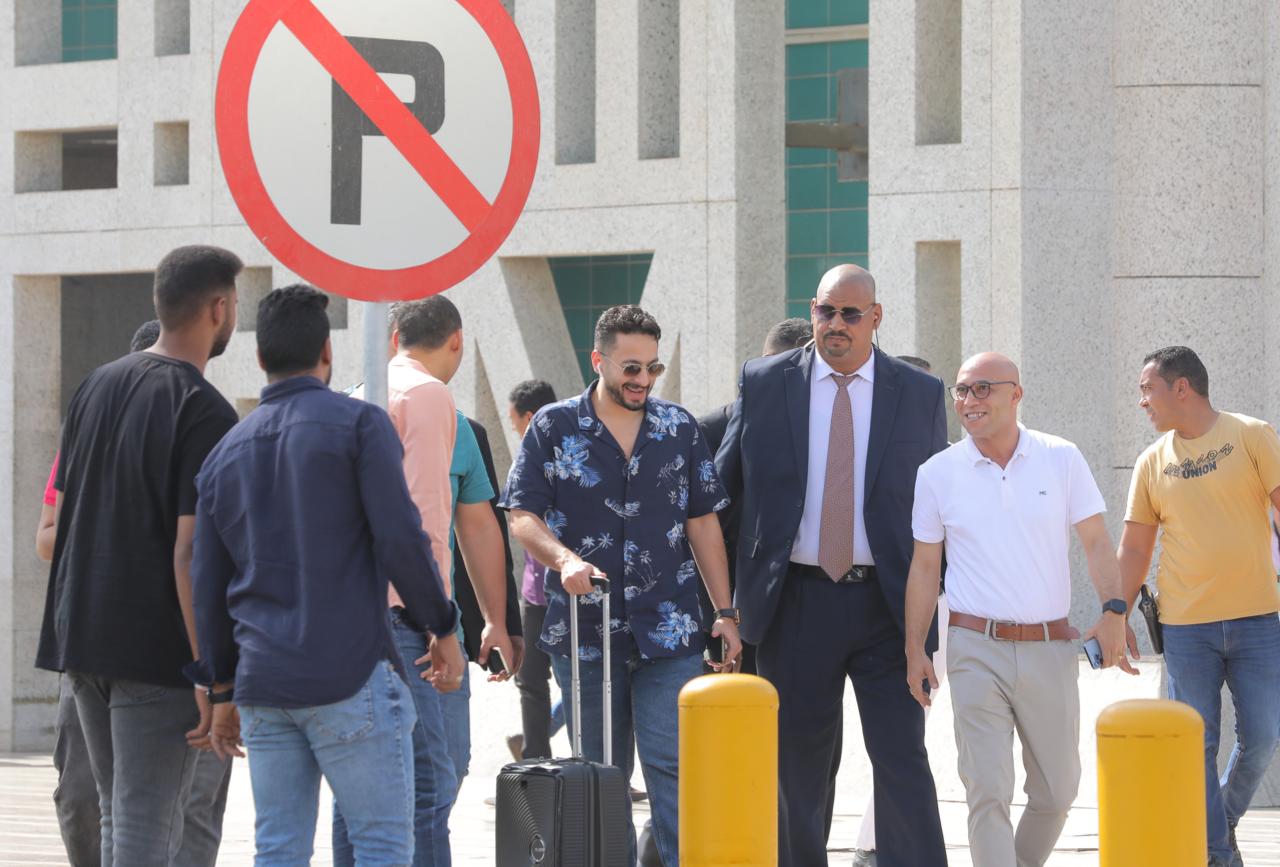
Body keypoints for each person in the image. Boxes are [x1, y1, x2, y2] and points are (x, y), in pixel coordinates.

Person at [189, 285, 466, 864]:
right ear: (327, 352)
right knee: (381, 844)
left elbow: (207, 584)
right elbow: (400, 538)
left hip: (263, 682)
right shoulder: (359, 425)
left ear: (260, 357)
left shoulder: (224, 453)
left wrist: (221, 687)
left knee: (278, 849)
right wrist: (440, 625)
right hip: (351, 670)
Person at [715, 264, 947, 867]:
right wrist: (724, 607)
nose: (835, 324)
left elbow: (937, 507)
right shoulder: (764, 382)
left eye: (850, 313)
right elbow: (722, 496)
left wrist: (931, 617)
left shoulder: (919, 393)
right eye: (825, 310)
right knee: (796, 769)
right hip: (794, 603)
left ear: (876, 317)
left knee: (902, 760)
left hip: (888, 608)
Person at [503, 304, 742, 867]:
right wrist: (564, 560)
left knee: (676, 768)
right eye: (631, 368)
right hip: (586, 632)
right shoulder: (554, 426)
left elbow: (703, 523)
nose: (642, 380)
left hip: (670, 630)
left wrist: (725, 611)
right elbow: (521, 514)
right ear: (599, 361)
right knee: (600, 774)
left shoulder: (678, 427)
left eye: (652, 368)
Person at [35, 245, 242, 866]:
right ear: (219, 308)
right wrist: (212, 673)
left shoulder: (95, 386)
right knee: (146, 831)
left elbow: (65, 518)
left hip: (82, 640)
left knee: (117, 819)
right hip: (157, 654)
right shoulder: (202, 408)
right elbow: (190, 551)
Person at [904, 351, 1133, 867]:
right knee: (988, 788)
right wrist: (915, 647)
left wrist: (1114, 611)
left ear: (1017, 394)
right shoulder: (936, 473)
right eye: (962, 390)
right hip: (973, 646)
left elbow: (1097, 542)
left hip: (1050, 647)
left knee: (1058, 790)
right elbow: (924, 567)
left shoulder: (1061, 457)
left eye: (983, 388)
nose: (969, 400)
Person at [1116, 346, 1280, 867]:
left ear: (1181, 388)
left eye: (1148, 389)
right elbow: (1135, 548)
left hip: (1258, 620)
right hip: (1186, 628)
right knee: (1196, 744)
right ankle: (1215, 854)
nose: (1142, 401)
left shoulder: (1252, 435)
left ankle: (1219, 820)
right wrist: (1115, 613)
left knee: (1264, 737)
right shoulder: (1151, 462)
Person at [35, 318, 161, 867]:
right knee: (81, 796)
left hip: (159, 650)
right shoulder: (84, 442)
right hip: (85, 642)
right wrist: (101, 524)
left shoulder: (193, 426)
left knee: (161, 804)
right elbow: (44, 537)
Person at [850, 352, 944, 867]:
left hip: (932, 607)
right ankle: (871, 842)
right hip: (861, 597)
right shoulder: (858, 440)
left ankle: (883, 843)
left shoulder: (948, 461)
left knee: (904, 744)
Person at [698, 317, 813, 681]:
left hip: (804, 608)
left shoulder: (822, 431)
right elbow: (703, 527)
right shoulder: (710, 430)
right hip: (734, 609)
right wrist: (719, 615)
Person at [503, 379, 567, 760]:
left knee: (579, 682)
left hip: (566, 590)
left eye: (514, 424)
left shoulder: (573, 455)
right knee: (530, 681)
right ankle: (535, 762)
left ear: (528, 419)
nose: (516, 432)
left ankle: (598, 772)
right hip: (536, 593)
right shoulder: (529, 461)